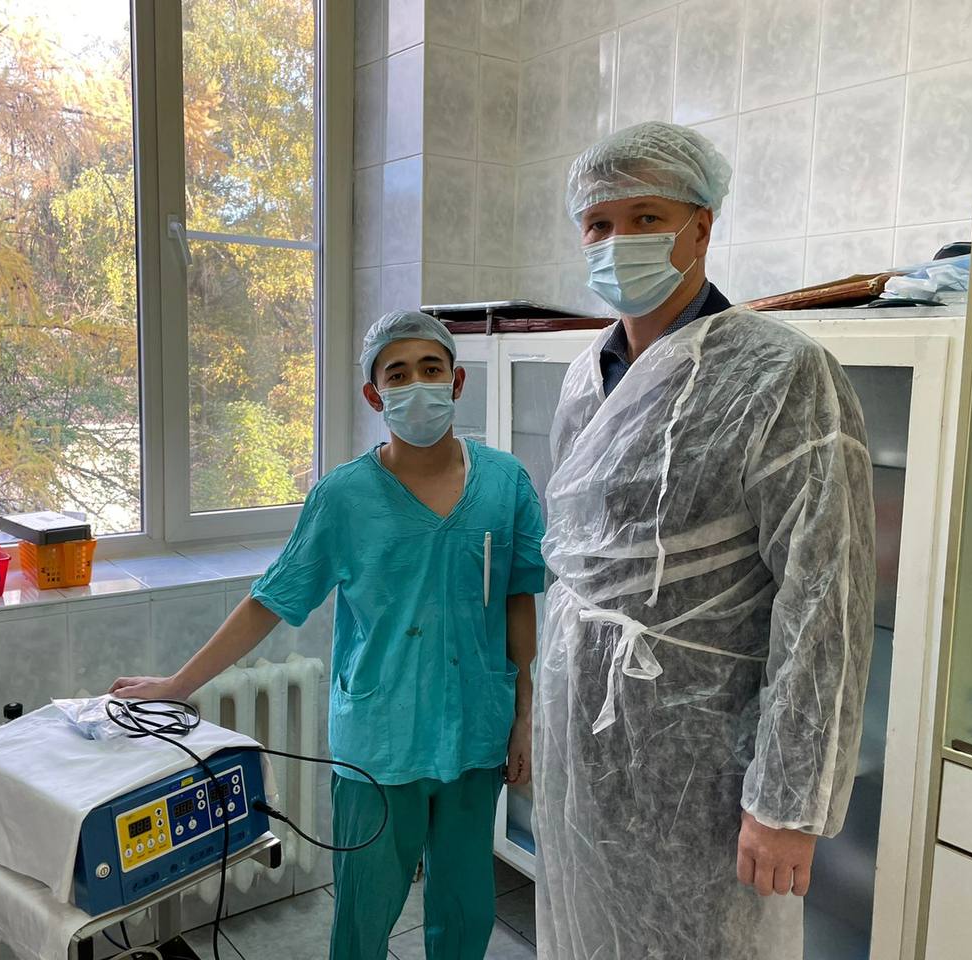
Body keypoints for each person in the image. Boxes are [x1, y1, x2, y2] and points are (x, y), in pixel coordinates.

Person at [531, 120, 876, 959]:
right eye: (599, 224)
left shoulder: (781, 372)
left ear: (701, 228)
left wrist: (786, 800)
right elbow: (579, 559)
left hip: (710, 757)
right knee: (589, 928)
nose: (618, 241)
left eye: (645, 217)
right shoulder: (584, 376)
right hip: (584, 734)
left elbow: (825, 595)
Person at [111, 310, 547, 960]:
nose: (417, 384)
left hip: (475, 731)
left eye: (431, 368)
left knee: (465, 911)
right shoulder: (344, 497)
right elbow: (269, 601)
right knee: (364, 917)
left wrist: (523, 716)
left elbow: (517, 600)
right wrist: (179, 684)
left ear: (457, 382)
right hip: (380, 740)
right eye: (398, 374)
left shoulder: (505, 484)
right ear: (375, 394)